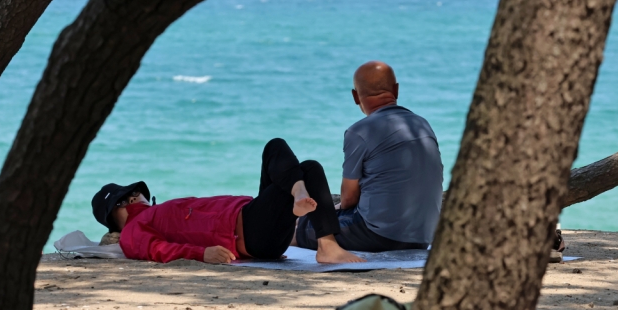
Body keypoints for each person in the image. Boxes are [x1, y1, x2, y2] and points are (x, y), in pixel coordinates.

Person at [92, 138, 365, 264]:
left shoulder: (157, 212)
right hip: (248, 233)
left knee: (309, 167)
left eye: (132, 194)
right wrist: (202, 254)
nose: (130, 199)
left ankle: (303, 202)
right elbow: (158, 250)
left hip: (254, 223)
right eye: (121, 203)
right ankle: (321, 236)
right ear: (112, 222)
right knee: (276, 148)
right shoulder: (132, 233)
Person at [296, 61, 444, 252]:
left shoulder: (359, 131)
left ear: (355, 96)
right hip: (423, 236)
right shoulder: (422, 124)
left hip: (380, 236)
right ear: (396, 90)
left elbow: (348, 199)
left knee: (303, 226)